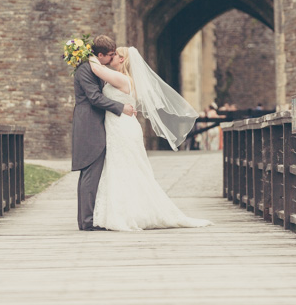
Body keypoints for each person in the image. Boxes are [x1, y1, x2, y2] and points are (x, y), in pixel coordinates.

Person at [88, 46, 212, 231]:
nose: (111, 57)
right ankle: (128, 211)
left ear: (122, 60)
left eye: (115, 55)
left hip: (122, 128)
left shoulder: (122, 79)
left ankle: (127, 214)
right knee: (123, 168)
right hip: (120, 127)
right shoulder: (125, 79)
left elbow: (97, 69)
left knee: (125, 168)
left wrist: (84, 51)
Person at [71, 35, 135, 231]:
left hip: (95, 123)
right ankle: (87, 222)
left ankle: (87, 219)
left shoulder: (95, 68)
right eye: (110, 55)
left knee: (91, 173)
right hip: (89, 124)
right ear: (100, 55)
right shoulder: (85, 70)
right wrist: (120, 107)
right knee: (90, 172)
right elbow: (95, 98)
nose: (113, 57)